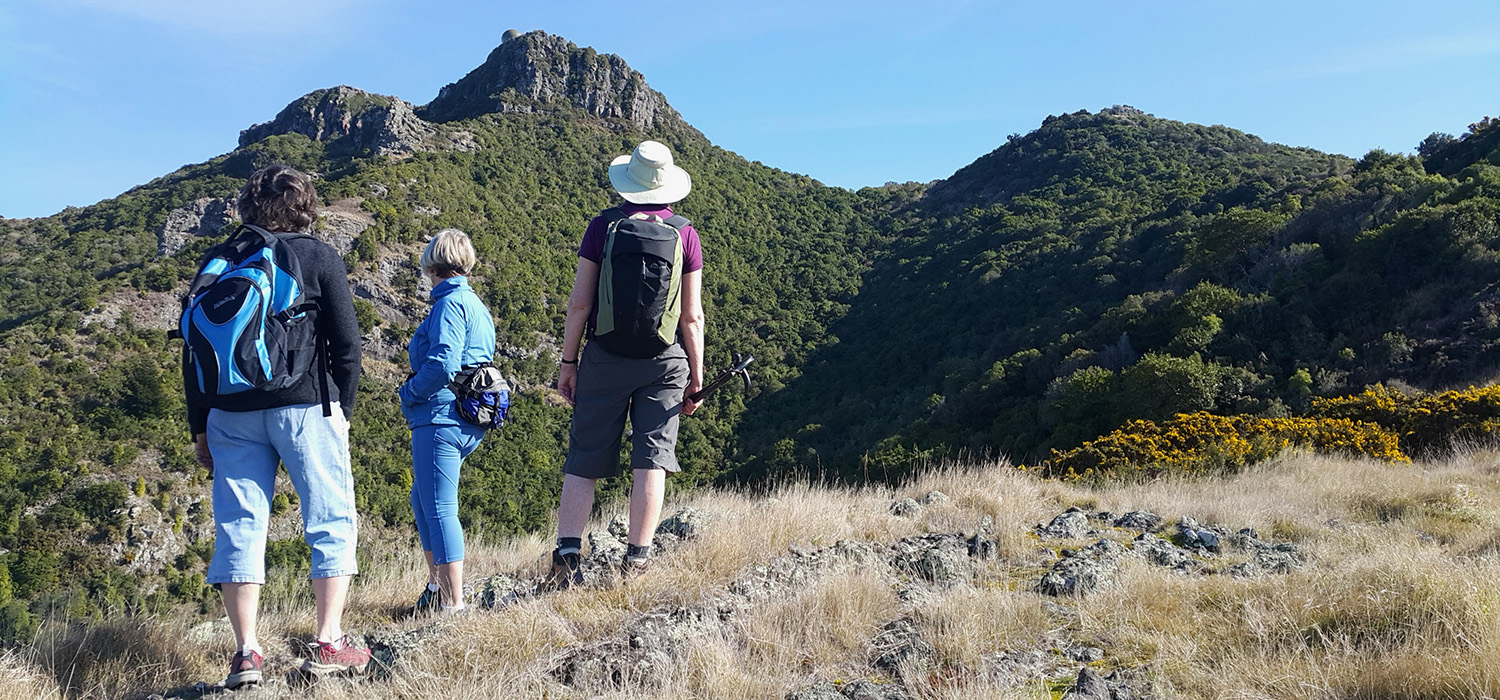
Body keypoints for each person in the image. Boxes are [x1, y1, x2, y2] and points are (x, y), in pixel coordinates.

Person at [185, 165, 370, 688]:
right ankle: (329, 641)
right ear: (304, 205)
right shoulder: (316, 255)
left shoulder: (220, 260)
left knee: (240, 527)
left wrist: (200, 425)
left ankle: (246, 654)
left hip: (227, 411)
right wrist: (342, 412)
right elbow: (347, 345)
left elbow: (193, 349)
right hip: (305, 407)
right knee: (330, 517)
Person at [548, 140, 706, 587]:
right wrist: (696, 375)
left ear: (629, 183)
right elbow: (692, 316)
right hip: (664, 360)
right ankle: (637, 561)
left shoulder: (602, 228)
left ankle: (567, 558)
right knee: (651, 459)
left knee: (584, 457)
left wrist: (569, 361)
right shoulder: (685, 233)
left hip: (605, 355)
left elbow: (580, 303)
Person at [399, 229, 496, 615]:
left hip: (441, 417)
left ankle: (453, 602)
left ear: (431, 265)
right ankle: (437, 588)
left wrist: (409, 393)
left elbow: (442, 364)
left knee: (439, 506)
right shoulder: (475, 304)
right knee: (421, 499)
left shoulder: (449, 305)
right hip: (468, 416)